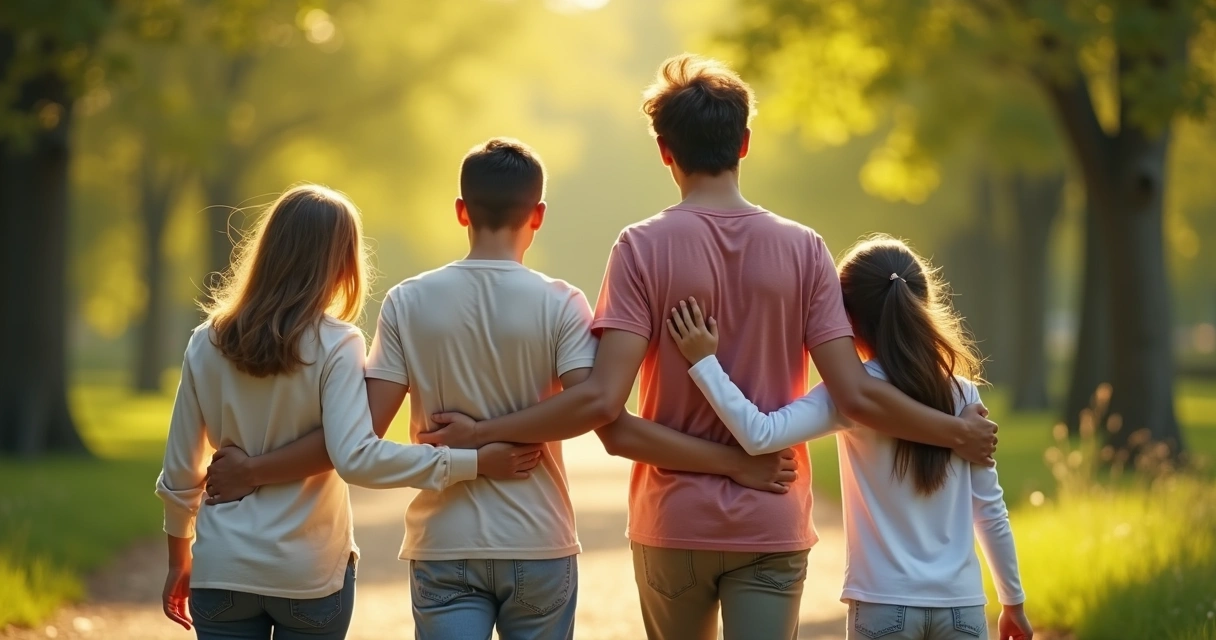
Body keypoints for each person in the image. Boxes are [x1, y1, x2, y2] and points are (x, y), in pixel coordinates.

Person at [419, 55, 999, 640]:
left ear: (664, 151)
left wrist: (481, 433)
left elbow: (607, 417)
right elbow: (857, 395)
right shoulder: (805, 249)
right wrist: (955, 432)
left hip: (674, 520)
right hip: (771, 517)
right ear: (744, 143)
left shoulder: (640, 248)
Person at [202, 140, 794, 640]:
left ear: (461, 211)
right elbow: (595, 404)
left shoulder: (408, 302)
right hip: (538, 541)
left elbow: (358, 439)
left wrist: (470, 445)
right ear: (538, 215)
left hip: (444, 544)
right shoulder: (561, 302)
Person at [155, 185, 540, 639]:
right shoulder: (337, 343)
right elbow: (355, 454)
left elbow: (179, 471)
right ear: (341, 262)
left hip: (222, 570)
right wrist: (472, 462)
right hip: (309, 572)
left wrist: (179, 561)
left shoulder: (207, 341)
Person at [665, 236, 1033, 640]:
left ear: (848, 320)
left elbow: (760, 434)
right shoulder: (963, 395)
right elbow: (989, 509)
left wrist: (705, 362)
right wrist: (1012, 602)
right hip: (963, 608)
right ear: (923, 303)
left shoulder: (849, 395)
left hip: (883, 604)